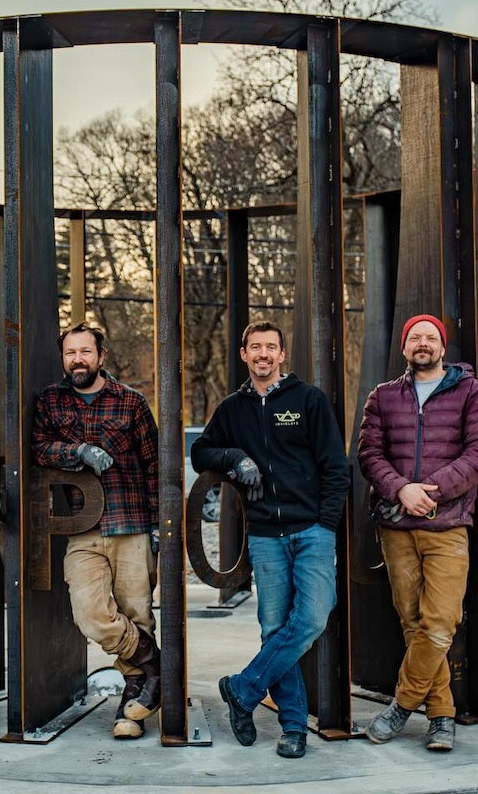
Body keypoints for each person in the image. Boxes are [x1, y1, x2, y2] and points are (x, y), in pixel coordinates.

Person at [192, 320, 349, 759]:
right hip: (264, 535)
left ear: (282, 355)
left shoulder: (308, 400)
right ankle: (294, 726)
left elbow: (336, 467)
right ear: (244, 354)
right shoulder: (231, 409)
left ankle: (242, 688)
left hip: (311, 530)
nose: (263, 354)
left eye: (271, 347)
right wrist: (236, 457)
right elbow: (200, 451)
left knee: (313, 618)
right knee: (274, 628)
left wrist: (326, 525)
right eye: (255, 347)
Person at [356, 314, 478, 752]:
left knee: (440, 622)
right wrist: (402, 490)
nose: (422, 343)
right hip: (397, 526)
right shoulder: (382, 397)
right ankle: (440, 716)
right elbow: (369, 454)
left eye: (430, 337)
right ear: (404, 348)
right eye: (415, 337)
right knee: (412, 621)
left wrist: (430, 492)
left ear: (442, 347)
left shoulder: (472, 392)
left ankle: (401, 706)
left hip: (447, 524)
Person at [31, 322, 161, 740]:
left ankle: (133, 704)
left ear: (101, 357)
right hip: (81, 528)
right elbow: (37, 447)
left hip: (131, 523)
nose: (78, 360)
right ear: (63, 358)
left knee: (137, 612)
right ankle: (156, 665)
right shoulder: (50, 401)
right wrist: (77, 452)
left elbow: (156, 466)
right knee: (91, 616)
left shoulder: (131, 403)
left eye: (86, 352)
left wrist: (160, 527)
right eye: (71, 353)